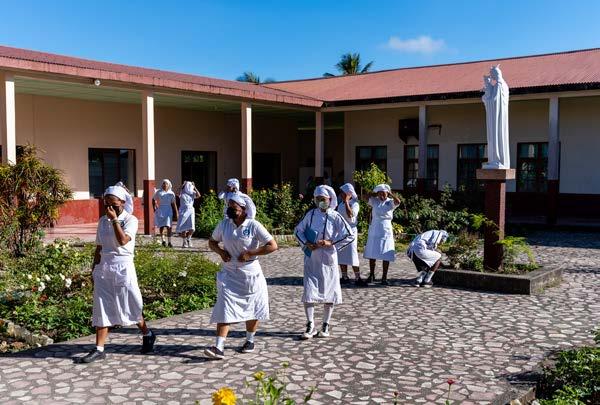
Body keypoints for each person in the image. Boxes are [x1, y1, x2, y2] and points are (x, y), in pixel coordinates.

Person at [80, 185, 155, 363]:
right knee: (102, 306)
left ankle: (147, 333)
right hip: (104, 267)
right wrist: (94, 269)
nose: (109, 208)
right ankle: (99, 349)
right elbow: (99, 247)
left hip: (123, 267)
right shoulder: (102, 221)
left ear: (122, 202)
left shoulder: (131, 220)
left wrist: (114, 220)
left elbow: (122, 240)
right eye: (106, 204)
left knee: (131, 304)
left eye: (113, 204)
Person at [204, 194, 278, 359]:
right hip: (229, 273)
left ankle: (250, 340)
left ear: (244, 209)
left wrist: (251, 253)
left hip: (250, 273)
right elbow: (212, 242)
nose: (230, 209)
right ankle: (219, 347)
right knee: (225, 306)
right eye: (229, 205)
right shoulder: (224, 224)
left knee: (252, 307)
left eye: (234, 206)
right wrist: (221, 252)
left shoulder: (253, 225)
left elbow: (272, 245)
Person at [295, 185, 354, 339]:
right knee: (309, 290)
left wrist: (331, 243)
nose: (321, 201)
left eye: (323, 199)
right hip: (312, 258)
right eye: (318, 199)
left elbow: (349, 235)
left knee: (329, 291)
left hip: (329, 258)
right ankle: (310, 324)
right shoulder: (310, 214)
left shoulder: (335, 216)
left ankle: (325, 324)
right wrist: (306, 243)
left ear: (330, 199)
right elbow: (298, 230)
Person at [363, 184, 401, 286]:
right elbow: (364, 198)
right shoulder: (374, 201)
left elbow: (398, 202)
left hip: (386, 229)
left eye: (384, 193)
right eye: (380, 193)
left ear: (387, 193)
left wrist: (391, 194)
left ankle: (384, 276)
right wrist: (373, 193)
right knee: (372, 252)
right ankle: (371, 275)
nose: (382, 196)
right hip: (375, 228)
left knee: (386, 253)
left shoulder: (390, 202)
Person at [336, 183, 365, 286]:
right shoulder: (340, 204)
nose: (341, 195)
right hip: (341, 231)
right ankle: (344, 276)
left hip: (351, 231)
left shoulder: (355, 204)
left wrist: (347, 202)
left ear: (348, 194)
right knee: (341, 253)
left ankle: (357, 277)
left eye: (343, 193)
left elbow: (350, 215)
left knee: (352, 253)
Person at [153, 179, 178, 247]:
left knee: (169, 226)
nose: (164, 185)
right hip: (161, 210)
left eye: (166, 184)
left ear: (168, 185)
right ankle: (163, 241)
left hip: (169, 210)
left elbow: (173, 203)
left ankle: (169, 242)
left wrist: (176, 212)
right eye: (163, 183)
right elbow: (153, 199)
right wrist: (154, 208)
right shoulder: (159, 192)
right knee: (162, 226)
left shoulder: (171, 193)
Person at [176, 181, 201, 248]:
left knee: (192, 227)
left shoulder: (192, 192)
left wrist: (195, 187)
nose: (189, 187)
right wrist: (182, 185)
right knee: (183, 226)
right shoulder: (182, 192)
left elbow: (199, 195)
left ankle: (189, 238)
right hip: (183, 210)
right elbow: (177, 193)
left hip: (190, 210)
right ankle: (184, 241)